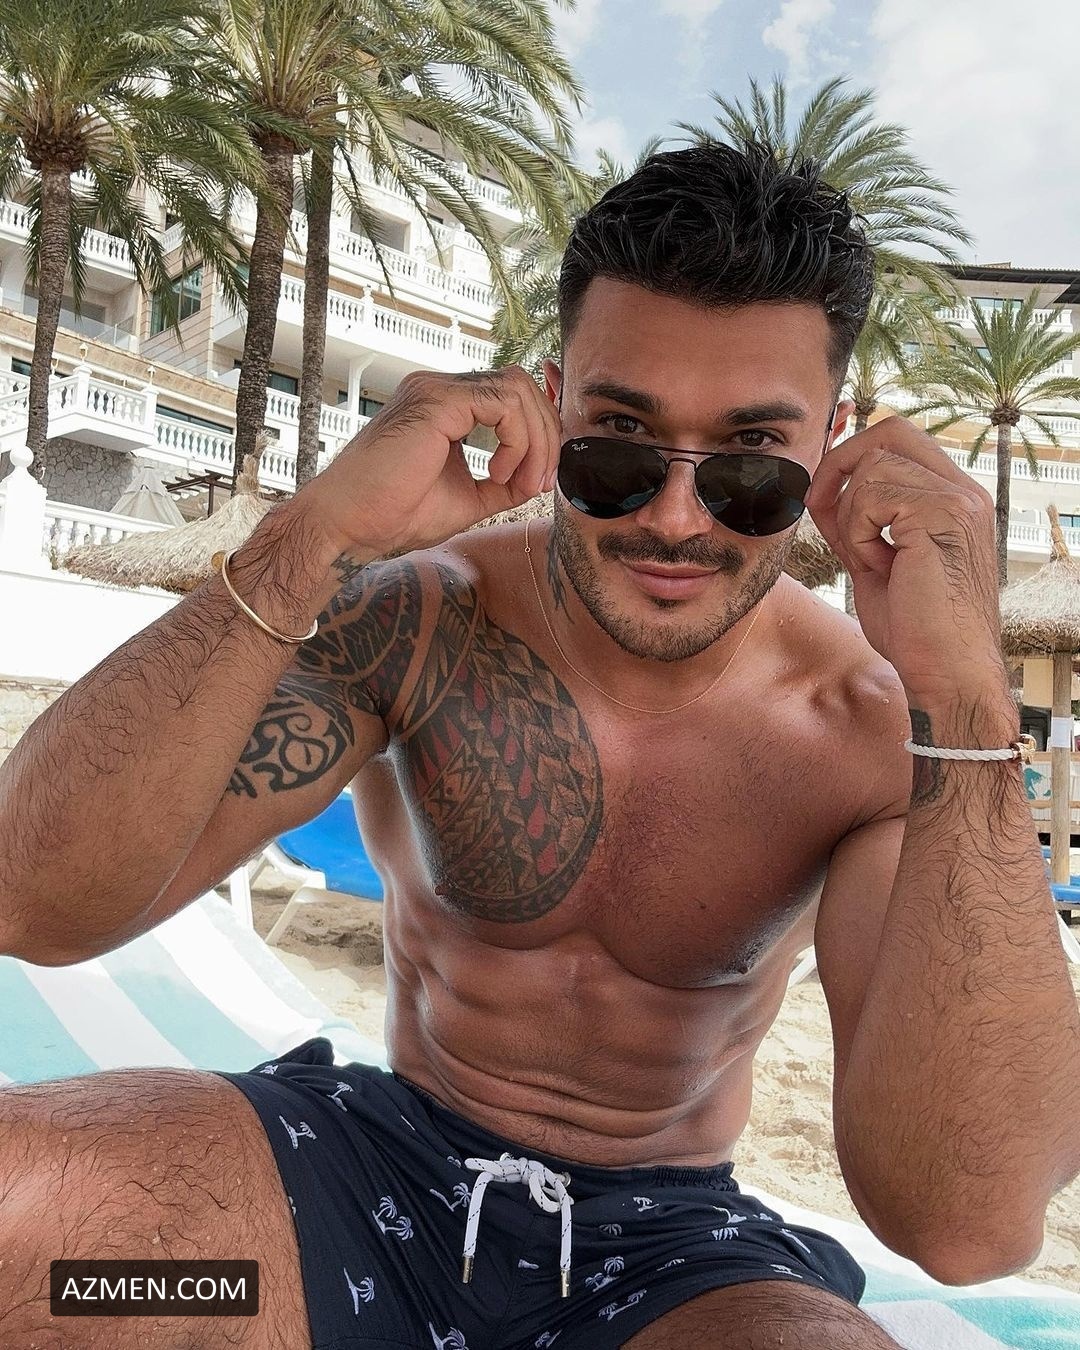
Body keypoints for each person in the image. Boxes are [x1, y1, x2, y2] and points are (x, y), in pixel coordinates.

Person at [1, 142, 1078, 1350]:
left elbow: (967, 1224)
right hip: (352, 1201)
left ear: (827, 446)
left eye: (749, 464)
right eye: (619, 443)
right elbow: (34, 903)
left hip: (665, 1260)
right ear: (554, 408)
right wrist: (310, 540)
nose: (675, 518)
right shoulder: (419, 621)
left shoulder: (871, 731)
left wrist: (968, 701)